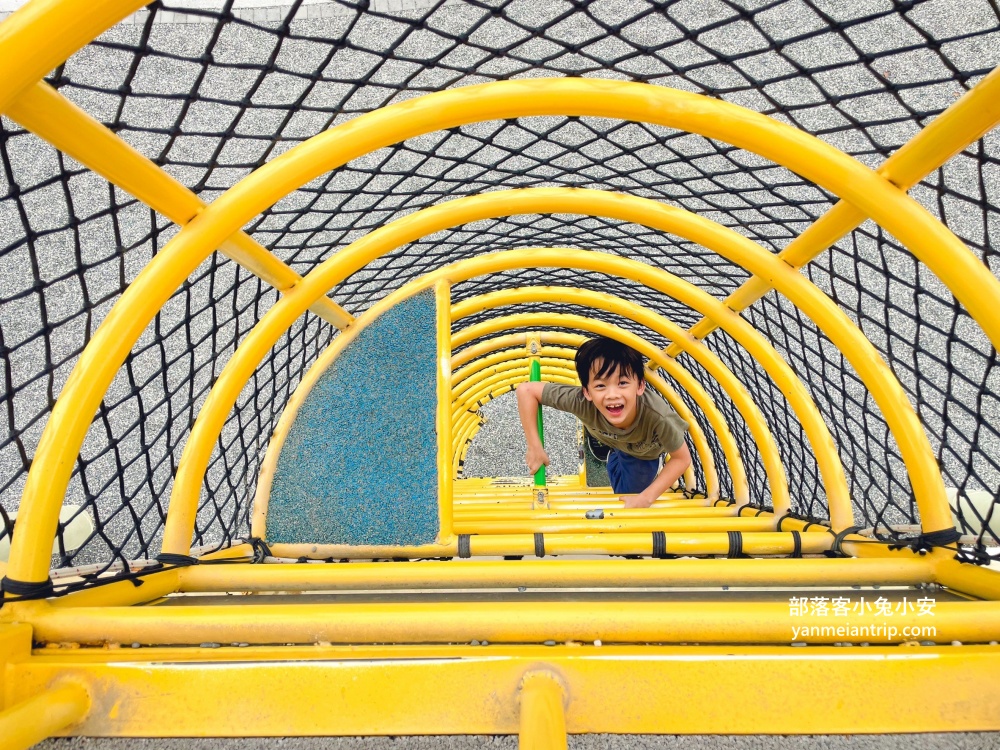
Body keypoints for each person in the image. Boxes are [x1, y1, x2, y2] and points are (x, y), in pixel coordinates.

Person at [516, 336, 691, 509]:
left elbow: (681, 459)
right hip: (606, 433)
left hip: (641, 452)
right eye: (600, 386)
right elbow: (526, 390)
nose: (612, 394)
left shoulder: (659, 417)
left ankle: (610, 451)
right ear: (587, 392)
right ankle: (603, 439)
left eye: (622, 383)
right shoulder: (580, 401)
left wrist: (646, 498)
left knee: (627, 495)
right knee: (601, 423)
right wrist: (534, 447)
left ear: (640, 386)